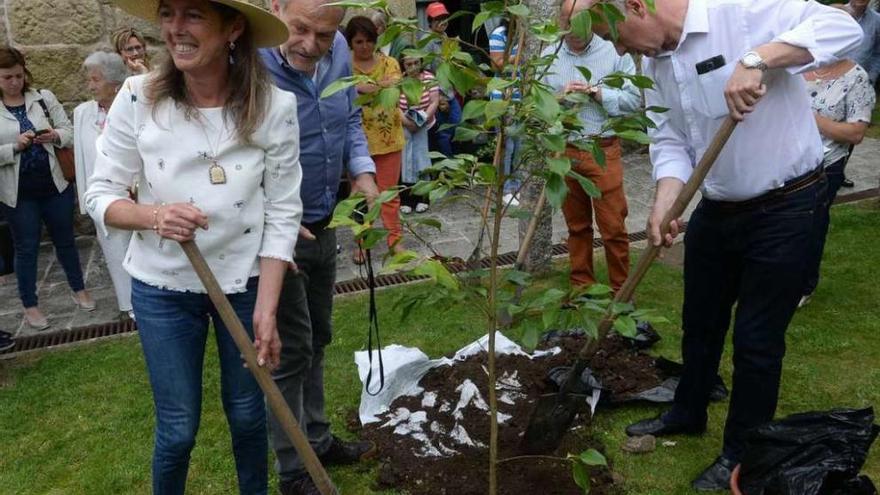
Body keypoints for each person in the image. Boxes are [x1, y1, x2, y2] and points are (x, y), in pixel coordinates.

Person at [590, 0, 863, 490]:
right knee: (700, 320)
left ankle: (741, 450)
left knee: (757, 340)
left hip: (787, 204)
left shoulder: (738, 11)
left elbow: (842, 27)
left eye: (613, 34)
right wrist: (665, 205)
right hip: (717, 207)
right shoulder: (654, 65)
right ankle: (688, 411)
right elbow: (670, 140)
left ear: (636, 5)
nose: (617, 47)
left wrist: (756, 59)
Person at [84, 1, 301, 493]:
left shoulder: (273, 106)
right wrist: (154, 216)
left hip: (245, 285)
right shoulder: (139, 98)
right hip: (162, 289)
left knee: (249, 416)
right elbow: (100, 195)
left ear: (234, 27)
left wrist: (266, 309)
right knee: (178, 430)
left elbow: (283, 212)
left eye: (194, 15)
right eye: (168, 13)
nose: (175, 28)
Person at [261, 1, 381, 494]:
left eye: (325, 35)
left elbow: (349, 120)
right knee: (288, 353)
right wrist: (272, 226)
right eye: (300, 29)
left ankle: (318, 437)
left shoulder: (337, 59)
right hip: (277, 238)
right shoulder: (248, 63)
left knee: (318, 339)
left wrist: (364, 173)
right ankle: (294, 469)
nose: (311, 45)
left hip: (323, 220)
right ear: (275, 8)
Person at [542, 0, 641, 293]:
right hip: (564, 152)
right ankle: (581, 287)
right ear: (560, 20)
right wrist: (560, 97)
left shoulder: (615, 51)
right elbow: (538, 107)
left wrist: (597, 92)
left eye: (580, 22)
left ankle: (620, 292)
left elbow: (633, 100)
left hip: (603, 150)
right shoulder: (549, 55)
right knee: (576, 227)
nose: (571, 29)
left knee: (613, 228)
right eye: (566, 21)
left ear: (593, 21)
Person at [0, 47, 95, 331]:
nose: (14, 82)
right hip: (18, 192)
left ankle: (79, 289)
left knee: (66, 239)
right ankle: (30, 305)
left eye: (18, 75)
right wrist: (14, 147)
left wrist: (54, 135)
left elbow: (68, 130)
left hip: (55, 184)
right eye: (7, 77)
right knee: (26, 248)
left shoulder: (43, 97)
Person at [799, 56, 874, 307]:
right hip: (784, 160)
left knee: (811, 223)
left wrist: (812, 118)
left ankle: (804, 285)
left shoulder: (856, 77)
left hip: (826, 164)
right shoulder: (795, 67)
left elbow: (856, 133)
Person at [74, 51, 133, 318]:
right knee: (113, 250)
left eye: (96, 79)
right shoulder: (82, 113)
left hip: (135, 194)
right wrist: (87, 199)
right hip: (102, 196)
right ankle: (127, 306)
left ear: (114, 82)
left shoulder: (133, 106)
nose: (91, 85)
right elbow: (81, 160)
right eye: (90, 80)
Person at [346, 15, 406, 262]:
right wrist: (378, 86)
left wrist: (364, 87)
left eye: (369, 40)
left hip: (390, 140)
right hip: (358, 142)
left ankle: (396, 242)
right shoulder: (344, 66)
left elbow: (395, 85)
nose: (365, 46)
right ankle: (362, 243)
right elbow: (355, 90)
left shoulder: (390, 62)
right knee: (360, 198)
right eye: (359, 41)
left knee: (390, 196)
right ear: (350, 42)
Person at [838, 0, 880, 188]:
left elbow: (878, 53)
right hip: (832, 81)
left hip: (861, 84)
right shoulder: (838, 13)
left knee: (853, 129)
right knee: (827, 127)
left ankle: (839, 172)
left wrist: (870, 77)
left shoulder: (877, 21)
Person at [398, 52, 439, 214]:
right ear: (403, 66)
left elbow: (434, 101)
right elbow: (394, 105)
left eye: (416, 63)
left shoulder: (429, 78)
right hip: (404, 127)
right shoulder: (399, 80)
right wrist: (407, 123)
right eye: (409, 64)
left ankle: (423, 198)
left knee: (423, 163)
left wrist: (421, 120)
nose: (413, 67)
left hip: (426, 126)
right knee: (405, 163)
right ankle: (406, 199)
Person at [488, 18, 524, 206]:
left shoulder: (525, 35)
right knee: (506, 146)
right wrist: (519, 56)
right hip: (503, 98)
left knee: (519, 147)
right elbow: (497, 65)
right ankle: (505, 188)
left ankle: (516, 186)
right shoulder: (500, 33)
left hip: (521, 99)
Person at [423, 1, 461, 158]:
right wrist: (439, 97)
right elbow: (425, 73)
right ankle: (448, 169)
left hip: (450, 93)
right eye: (437, 19)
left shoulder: (445, 38)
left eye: (445, 18)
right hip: (439, 95)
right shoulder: (428, 42)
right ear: (430, 22)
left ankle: (454, 167)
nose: (442, 22)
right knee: (443, 134)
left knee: (456, 128)